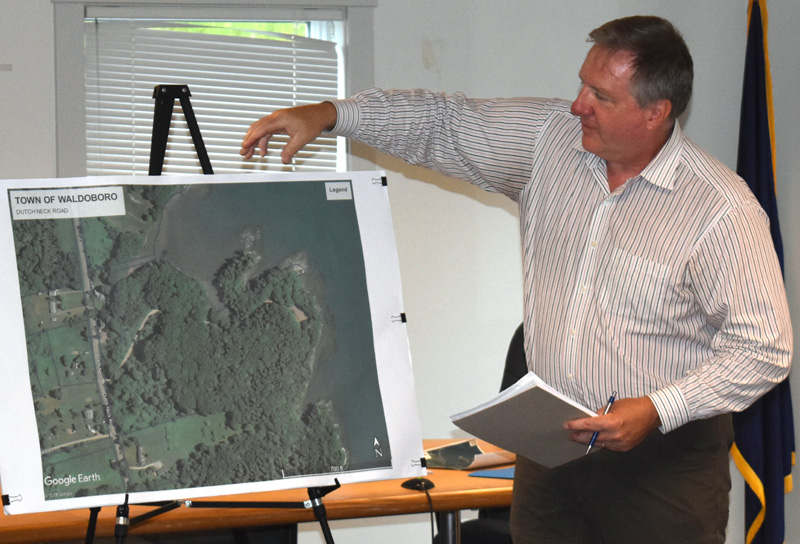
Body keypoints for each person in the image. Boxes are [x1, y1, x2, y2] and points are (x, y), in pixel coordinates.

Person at [241, 15, 792, 544]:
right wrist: (332, 114)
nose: (580, 105)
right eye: (583, 85)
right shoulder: (549, 141)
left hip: (664, 465)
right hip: (552, 452)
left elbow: (764, 347)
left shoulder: (720, 209)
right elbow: (444, 124)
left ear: (656, 112)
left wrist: (657, 407)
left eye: (602, 96)